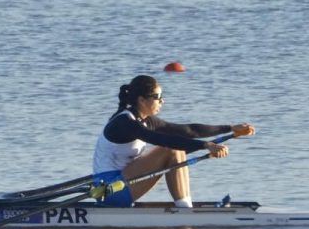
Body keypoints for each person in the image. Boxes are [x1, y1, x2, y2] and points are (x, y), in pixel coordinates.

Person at [92, 75, 255, 207]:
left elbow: (189, 130)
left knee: (177, 148)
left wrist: (231, 128)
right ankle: (184, 211)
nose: (162, 101)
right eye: (158, 97)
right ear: (142, 100)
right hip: (108, 190)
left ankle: (185, 207)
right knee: (171, 148)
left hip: (123, 183)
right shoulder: (124, 123)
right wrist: (206, 145)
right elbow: (159, 139)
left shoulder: (147, 120)